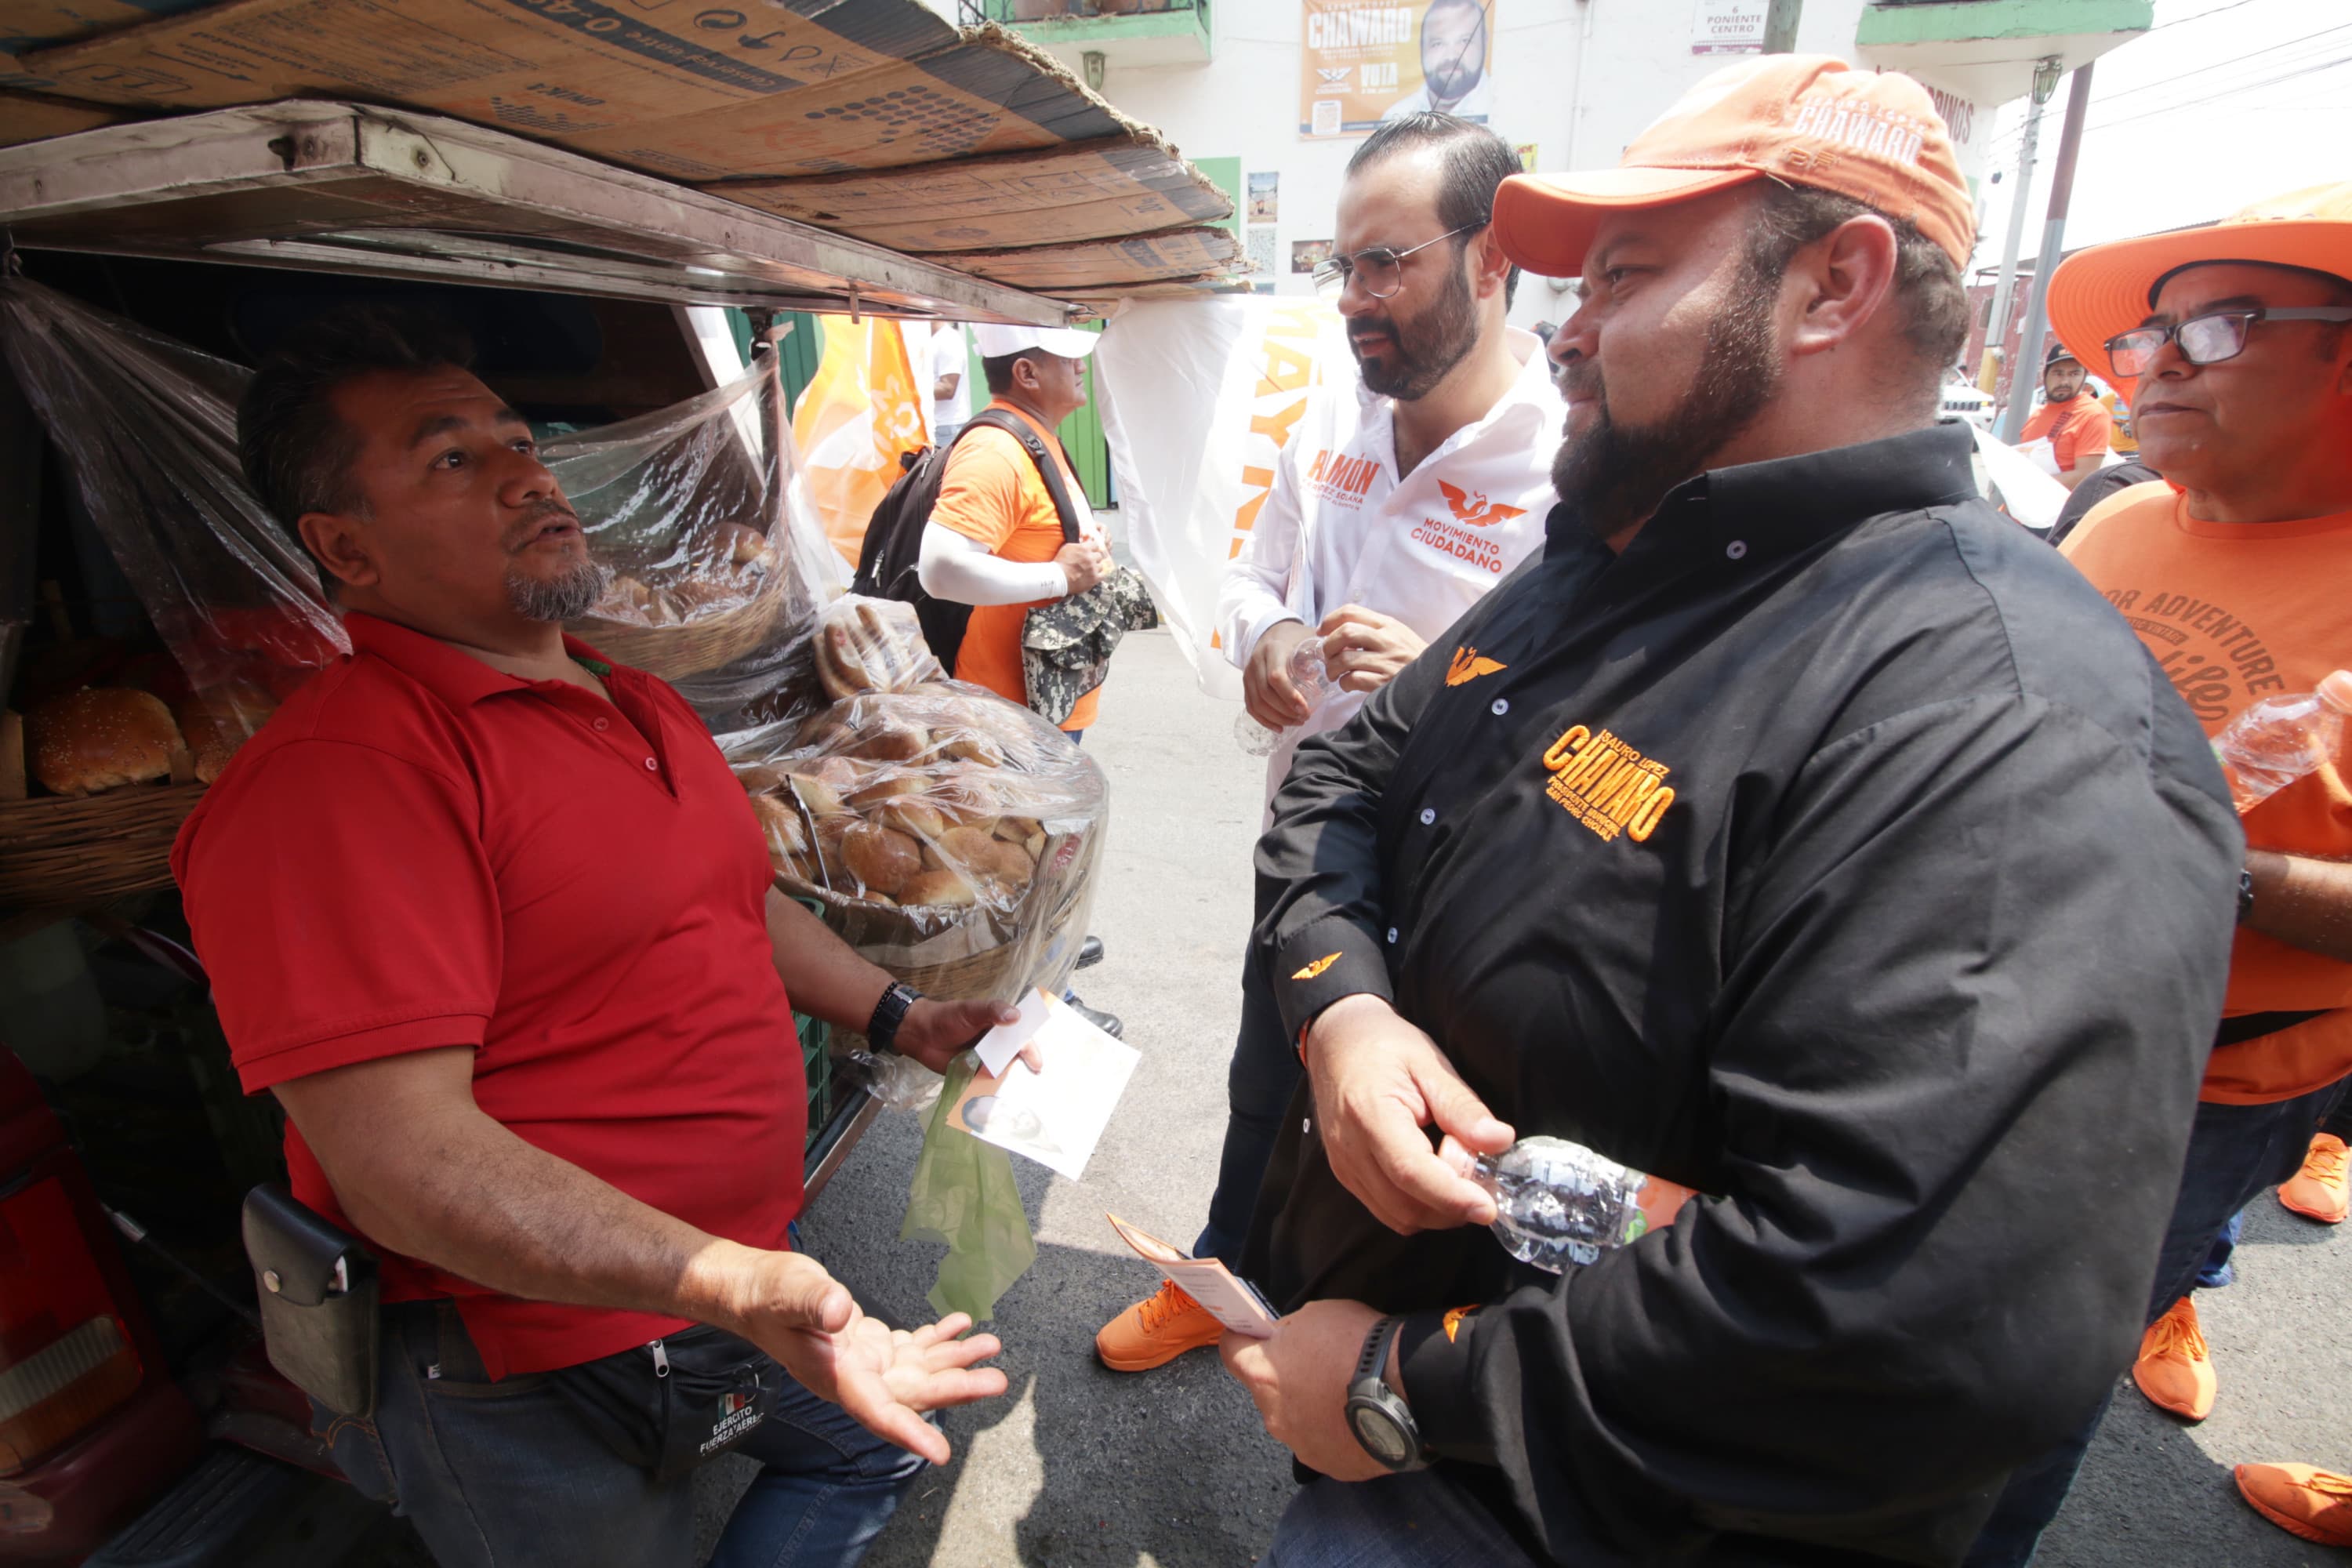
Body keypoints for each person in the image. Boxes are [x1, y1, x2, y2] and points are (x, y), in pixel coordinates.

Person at [1210, 56, 2240, 1566]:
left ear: (1834, 284)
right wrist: (1346, 1010)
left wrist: (1398, 1387)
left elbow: (1912, 1321)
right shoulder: (1612, 558)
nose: (1572, 327)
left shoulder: (2008, 719)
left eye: (1624, 274)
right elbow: (1351, 781)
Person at [178, 308, 1028, 1568]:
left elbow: (732, 900)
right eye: (451, 459)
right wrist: (725, 1282)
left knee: (874, 1445)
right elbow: (404, 1168)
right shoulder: (340, 778)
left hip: (720, 1283)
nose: (529, 473)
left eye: (520, 440)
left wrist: (900, 1015)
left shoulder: (625, 693)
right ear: (343, 548)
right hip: (529, 1362)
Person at [1094, 112, 1563, 1374]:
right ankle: (1222, 1277)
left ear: (1492, 259)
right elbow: (1251, 580)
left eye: (1388, 264)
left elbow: (1605, 722)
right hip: (1305, 861)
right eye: (1342, 265)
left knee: (1429, 1157)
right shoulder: (1334, 426)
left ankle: (1390, 1372)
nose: (1355, 300)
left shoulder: (1569, 470)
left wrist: (1441, 685)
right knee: (1264, 1094)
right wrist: (1267, 639)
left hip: (1465, 899)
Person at [1969, 180, 2352, 1566]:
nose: (2155, 364)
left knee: (2035, 1378)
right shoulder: (2119, 523)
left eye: (2223, 326)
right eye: (2154, 335)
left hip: (2202, 1089)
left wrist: (2209, 859)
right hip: (1999, 1016)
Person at [915, 322, 1122, 1038]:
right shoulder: (996, 448)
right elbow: (940, 565)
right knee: (1025, 870)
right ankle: (1037, 1002)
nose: (1082, 372)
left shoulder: (1035, 435)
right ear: (1029, 372)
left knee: (1045, 863)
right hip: (1011, 717)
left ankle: (1048, 962)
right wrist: (1056, 574)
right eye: (1072, 360)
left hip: (1042, 709)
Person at [2016, 339, 2114, 491]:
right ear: (2046, 375)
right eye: (2058, 373)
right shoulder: (2035, 417)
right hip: (2021, 507)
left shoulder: (2092, 414)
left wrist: (2029, 487)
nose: (2065, 381)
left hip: (2061, 511)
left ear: (2084, 377)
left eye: (2074, 374)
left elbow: (2086, 475)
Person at [1380, 0, 1492, 123]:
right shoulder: (1395, 117)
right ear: (1421, 47)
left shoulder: (1504, 106)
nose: (1451, 56)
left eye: (1464, 41)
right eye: (1438, 44)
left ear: (1485, 42)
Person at [930, 322, 971, 449]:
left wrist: (910, 390)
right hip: (935, 427)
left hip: (947, 430)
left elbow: (947, 389)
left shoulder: (948, 341)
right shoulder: (932, 340)